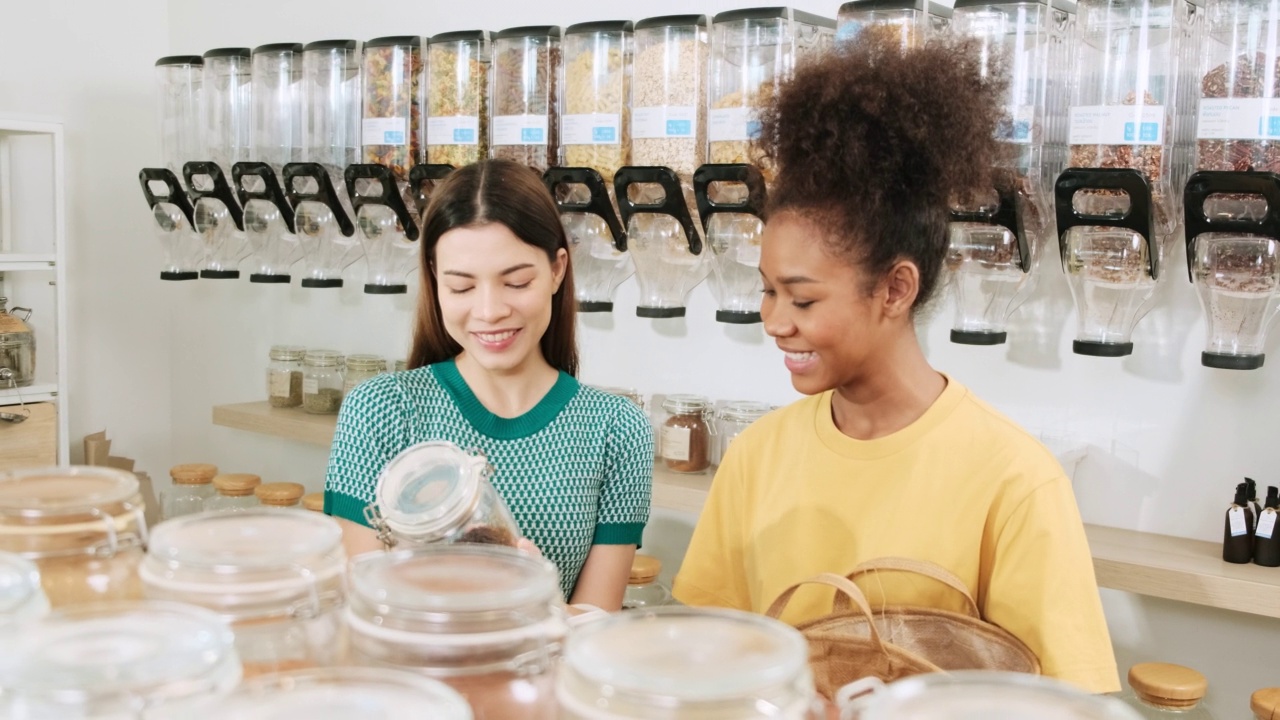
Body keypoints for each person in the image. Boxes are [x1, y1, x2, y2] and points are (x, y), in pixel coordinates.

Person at [671, 35, 1120, 693]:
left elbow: (1067, 704)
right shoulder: (756, 457)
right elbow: (710, 661)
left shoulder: (1015, 483)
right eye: (767, 290)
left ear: (895, 289)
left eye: (801, 297)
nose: (774, 320)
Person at [324, 160, 653, 611]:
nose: (489, 310)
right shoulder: (381, 409)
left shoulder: (616, 430)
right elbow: (362, 606)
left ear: (557, 270)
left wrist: (538, 604)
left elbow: (593, 623)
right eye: (461, 287)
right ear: (435, 280)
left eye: (516, 282)